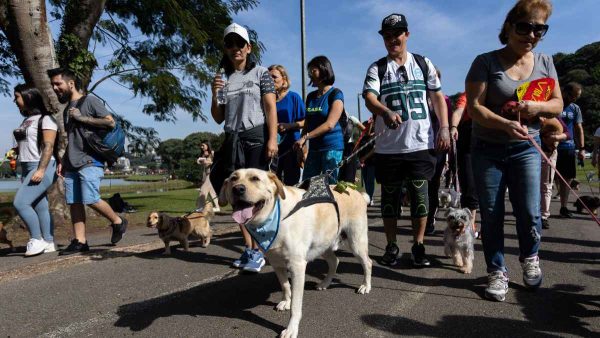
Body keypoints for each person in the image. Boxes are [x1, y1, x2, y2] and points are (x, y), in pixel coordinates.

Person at [466, 0, 563, 302]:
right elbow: (475, 107)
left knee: (530, 211)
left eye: (540, 29)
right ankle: (497, 270)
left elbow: (558, 103)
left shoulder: (545, 62)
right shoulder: (485, 61)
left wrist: (538, 107)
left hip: (527, 147)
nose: (531, 34)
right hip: (487, 148)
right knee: (492, 213)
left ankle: (530, 257)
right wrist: (504, 125)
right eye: (525, 26)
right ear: (509, 26)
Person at [362, 13, 450, 268]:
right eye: (387, 37)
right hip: (389, 147)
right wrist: (385, 111)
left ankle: (419, 245)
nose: (392, 40)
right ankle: (391, 245)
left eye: (397, 35)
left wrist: (444, 128)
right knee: (389, 199)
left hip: (420, 144)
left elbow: (437, 99)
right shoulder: (377, 67)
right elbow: (369, 97)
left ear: (407, 35)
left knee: (420, 197)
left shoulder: (423, 64)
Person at [210, 23, 278, 273]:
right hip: (232, 139)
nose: (235, 48)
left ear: (248, 48)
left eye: (240, 43)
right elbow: (218, 117)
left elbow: (270, 108)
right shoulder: (223, 78)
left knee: (258, 195)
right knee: (237, 196)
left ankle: (261, 250)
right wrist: (214, 92)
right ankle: (250, 249)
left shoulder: (261, 73)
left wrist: (272, 140)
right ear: (226, 49)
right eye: (230, 44)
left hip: (256, 139)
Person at [47, 68, 128, 255]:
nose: (55, 88)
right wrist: (63, 160)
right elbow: (73, 138)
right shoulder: (68, 109)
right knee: (74, 202)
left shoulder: (90, 101)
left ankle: (118, 221)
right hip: (72, 161)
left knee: (90, 198)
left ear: (71, 83)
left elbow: (110, 122)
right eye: (52, 85)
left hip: (90, 160)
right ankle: (80, 241)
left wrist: (81, 117)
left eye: (57, 84)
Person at [11, 84, 58, 256]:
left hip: (42, 166)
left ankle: (36, 239)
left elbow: (48, 145)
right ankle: (48, 241)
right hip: (27, 166)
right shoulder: (26, 120)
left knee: (20, 203)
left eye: (17, 96)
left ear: (28, 96)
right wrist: (17, 151)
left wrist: (41, 170)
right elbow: (30, 143)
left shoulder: (46, 119)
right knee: (40, 206)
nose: (15, 101)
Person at [294, 56, 345, 184]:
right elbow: (308, 123)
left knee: (331, 188)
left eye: (313, 70)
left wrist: (306, 137)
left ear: (324, 69)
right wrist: (302, 147)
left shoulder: (336, 94)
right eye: (309, 71)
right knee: (307, 185)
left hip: (332, 148)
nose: (310, 74)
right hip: (314, 149)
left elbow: (330, 124)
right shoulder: (311, 96)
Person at [425, 67, 453, 235]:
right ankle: (420, 218)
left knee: (433, 185)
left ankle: (430, 220)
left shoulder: (445, 100)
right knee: (421, 184)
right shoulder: (418, 98)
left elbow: (447, 124)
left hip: (438, 149)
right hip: (420, 147)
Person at [268, 64, 306, 185]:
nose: (271, 80)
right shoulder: (267, 100)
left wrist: (289, 126)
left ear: (284, 79)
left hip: (291, 148)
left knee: (292, 184)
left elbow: (306, 122)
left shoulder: (293, 97)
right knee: (272, 183)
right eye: (268, 78)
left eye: (274, 76)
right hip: (272, 149)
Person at [449, 92, 480, 237]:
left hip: (490, 137)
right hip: (467, 139)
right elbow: (459, 111)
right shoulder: (467, 95)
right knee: (469, 185)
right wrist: (454, 126)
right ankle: (469, 224)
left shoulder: (494, 94)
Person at [556, 82, 584, 218]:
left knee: (566, 179)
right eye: (573, 96)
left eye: (577, 97)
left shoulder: (575, 108)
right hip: (552, 147)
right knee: (546, 180)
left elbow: (579, 129)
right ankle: (541, 209)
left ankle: (564, 207)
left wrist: (582, 149)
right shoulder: (555, 104)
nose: (575, 99)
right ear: (565, 92)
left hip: (568, 147)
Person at [540, 117, 569, 229]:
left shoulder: (552, 115)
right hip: (530, 151)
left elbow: (567, 134)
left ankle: (543, 216)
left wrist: (555, 137)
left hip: (549, 153)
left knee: (546, 185)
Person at [339, 115, 366, 183]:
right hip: (337, 147)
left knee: (349, 174)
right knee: (339, 175)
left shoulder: (351, 118)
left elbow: (365, 130)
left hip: (349, 148)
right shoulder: (334, 117)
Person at [197, 141, 219, 212]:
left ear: (207, 145)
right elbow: (200, 163)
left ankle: (200, 207)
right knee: (212, 192)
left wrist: (208, 162)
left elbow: (217, 162)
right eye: (201, 146)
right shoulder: (203, 154)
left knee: (203, 190)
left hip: (212, 173)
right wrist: (199, 161)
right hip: (206, 174)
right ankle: (217, 207)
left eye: (203, 145)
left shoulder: (212, 153)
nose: (202, 147)